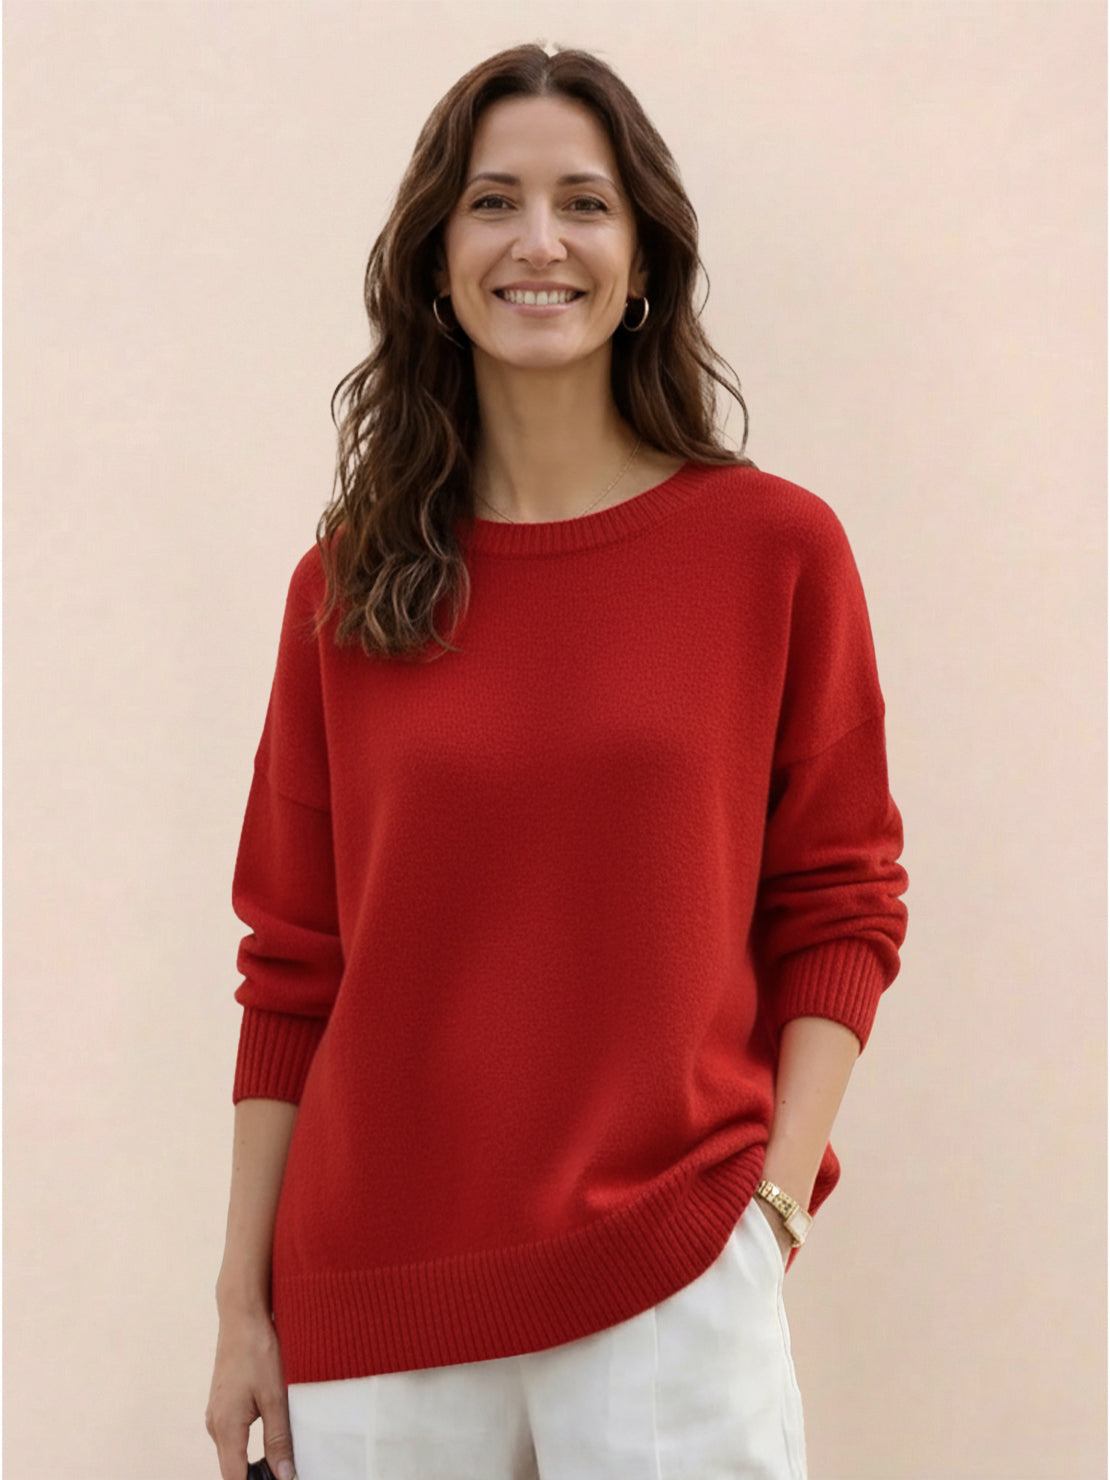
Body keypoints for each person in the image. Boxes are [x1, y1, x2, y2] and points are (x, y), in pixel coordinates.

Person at [205, 41, 909, 1480]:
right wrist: (240, 1306)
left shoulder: (771, 552)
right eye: (493, 203)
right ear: (436, 261)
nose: (539, 242)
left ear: (641, 261)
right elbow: (292, 963)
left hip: (669, 1280)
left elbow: (840, 903)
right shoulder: (345, 589)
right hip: (375, 1299)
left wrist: (768, 1213)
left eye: (584, 203)